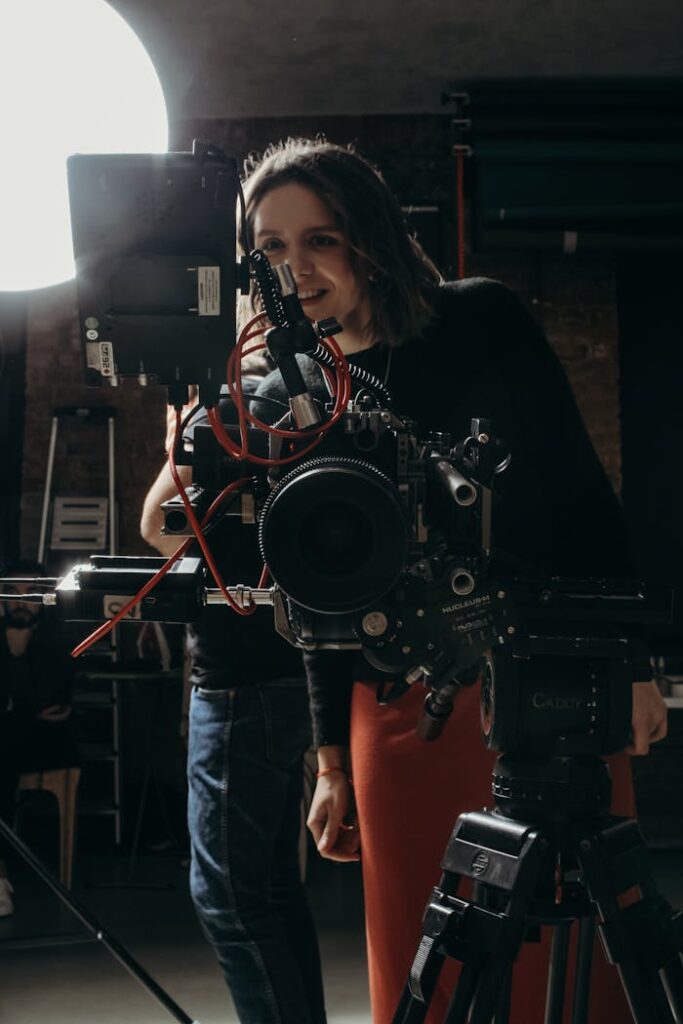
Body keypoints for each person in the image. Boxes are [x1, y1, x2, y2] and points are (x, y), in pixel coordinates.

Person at [237, 137, 668, 1024]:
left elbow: (581, 492)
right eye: (273, 247)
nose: (297, 267)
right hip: (397, 717)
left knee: (584, 963)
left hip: (548, 683)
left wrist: (631, 662)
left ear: (371, 238)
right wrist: (327, 762)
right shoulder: (290, 389)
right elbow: (317, 592)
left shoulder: (478, 319)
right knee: (421, 966)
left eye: (320, 239)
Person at [140, 380, 326, 1014]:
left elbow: (156, 526)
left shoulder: (222, 412)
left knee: (230, 900)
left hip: (237, 694)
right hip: (286, 682)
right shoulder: (297, 410)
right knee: (273, 890)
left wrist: (176, 447)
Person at [0, 560, 80, 916]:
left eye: (29, 593)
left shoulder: (57, 639)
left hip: (46, 743)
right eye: (11, 593)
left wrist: (17, 657)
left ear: (44, 596)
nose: (21, 601)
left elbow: (41, 700)